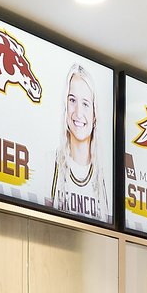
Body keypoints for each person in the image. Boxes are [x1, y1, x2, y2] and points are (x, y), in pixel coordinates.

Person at [47, 62, 109, 220]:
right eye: (72, 100)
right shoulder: (50, 165)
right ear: (65, 105)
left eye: (86, 104)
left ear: (95, 114)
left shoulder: (106, 175)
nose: (78, 112)